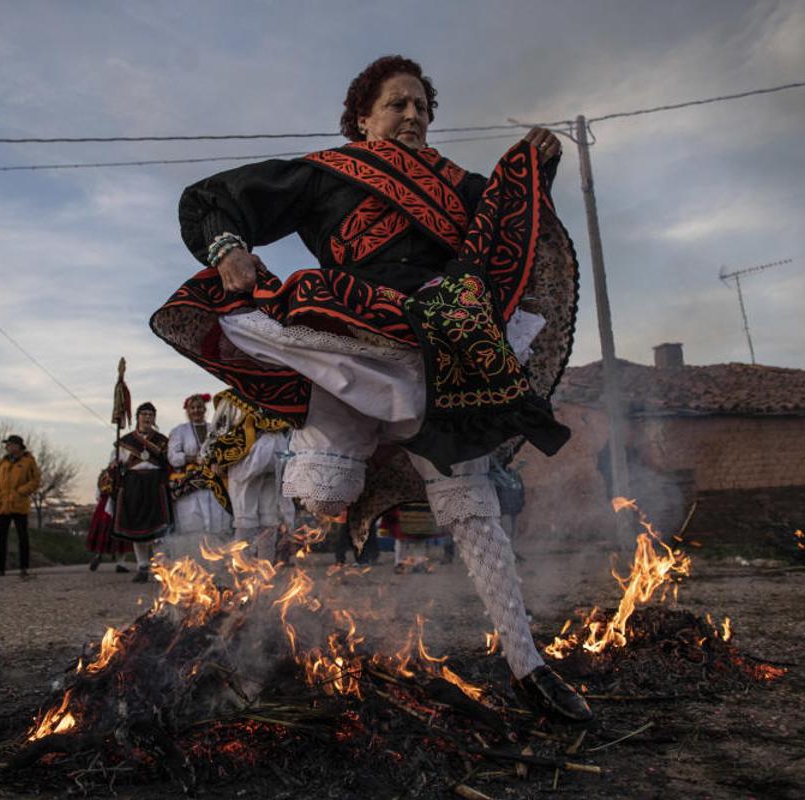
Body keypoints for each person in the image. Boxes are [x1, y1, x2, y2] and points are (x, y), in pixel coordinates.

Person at [151, 55, 589, 721]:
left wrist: (535, 166)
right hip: (342, 338)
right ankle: (261, 646)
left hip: (441, 345)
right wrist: (229, 250)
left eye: (422, 106)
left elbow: (511, 228)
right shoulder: (326, 173)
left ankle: (527, 664)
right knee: (320, 494)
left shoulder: (464, 187)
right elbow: (217, 197)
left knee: (469, 498)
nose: (413, 115)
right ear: (363, 119)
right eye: (397, 104)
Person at [204, 390, 293, 562]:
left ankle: (254, 570)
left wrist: (214, 457)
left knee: (258, 516)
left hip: (262, 456)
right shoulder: (239, 395)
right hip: (260, 456)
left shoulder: (264, 394)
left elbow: (220, 426)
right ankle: (253, 570)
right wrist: (214, 457)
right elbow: (219, 426)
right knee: (257, 517)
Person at [110, 402, 173, 583]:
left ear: (154, 418)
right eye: (144, 414)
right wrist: (115, 466)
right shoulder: (126, 441)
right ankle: (142, 566)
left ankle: (161, 567)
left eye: (150, 414)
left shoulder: (162, 441)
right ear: (137, 417)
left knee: (159, 527)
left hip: (155, 483)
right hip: (133, 484)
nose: (147, 417)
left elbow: (169, 463)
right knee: (136, 527)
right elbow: (117, 463)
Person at [168, 394, 232, 540]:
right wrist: (193, 458)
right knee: (191, 522)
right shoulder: (179, 431)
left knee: (218, 521)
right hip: (190, 483)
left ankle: (216, 558)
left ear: (204, 409)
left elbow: (224, 451)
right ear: (187, 411)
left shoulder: (215, 428)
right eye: (192, 408)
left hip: (214, 482)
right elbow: (173, 456)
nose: (196, 410)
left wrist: (217, 462)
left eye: (199, 407)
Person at [0, 434, 41, 579]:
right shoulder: (3, 462)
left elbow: (35, 480)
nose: (7, 447)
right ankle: (0, 568)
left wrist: (21, 492)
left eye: (10, 444)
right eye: (7, 445)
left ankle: (23, 568)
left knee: (22, 537)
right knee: (0, 538)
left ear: (18, 446)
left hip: (19, 504)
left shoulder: (28, 462)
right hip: (2, 504)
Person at [84, 467, 133, 572]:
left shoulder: (105, 473)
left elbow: (98, 494)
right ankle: (120, 563)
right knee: (122, 533)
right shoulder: (127, 472)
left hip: (104, 505)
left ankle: (99, 555)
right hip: (121, 504)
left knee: (105, 531)